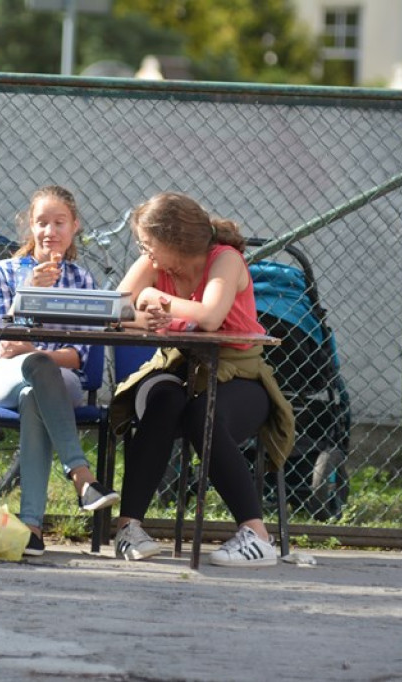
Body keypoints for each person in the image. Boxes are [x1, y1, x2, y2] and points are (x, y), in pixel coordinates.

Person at [110, 191, 294, 566]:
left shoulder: (225, 259)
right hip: (177, 366)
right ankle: (128, 529)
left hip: (238, 373)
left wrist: (152, 297)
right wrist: (137, 318)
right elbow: (114, 308)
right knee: (164, 401)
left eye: (149, 244)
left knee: (201, 415)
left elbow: (210, 316)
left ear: (174, 241)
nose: (145, 252)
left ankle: (257, 536)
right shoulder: (155, 263)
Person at [0, 185, 119, 557]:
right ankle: (82, 478)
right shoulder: (1, 273)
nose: (50, 231)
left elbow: (79, 357)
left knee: (35, 386)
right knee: (34, 372)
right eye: (42, 223)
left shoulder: (83, 280)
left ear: (74, 227)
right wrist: (28, 293)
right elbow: (4, 344)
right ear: (30, 227)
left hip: (61, 383)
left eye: (59, 222)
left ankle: (33, 531)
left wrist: (36, 351)